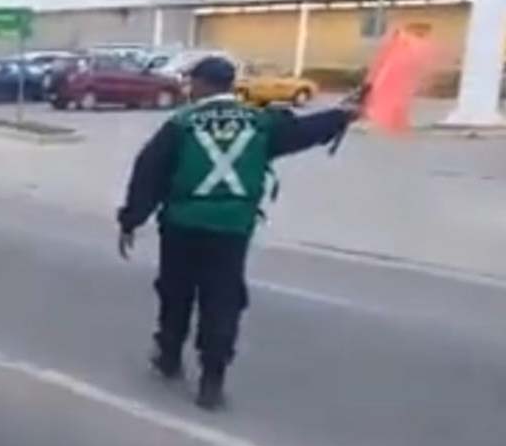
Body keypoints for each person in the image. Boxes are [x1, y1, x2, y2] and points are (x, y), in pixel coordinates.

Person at [117, 57, 359, 411]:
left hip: (182, 224)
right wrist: (340, 116)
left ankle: (169, 357)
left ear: (203, 84)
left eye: (191, 82)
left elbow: (149, 171)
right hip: (232, 229)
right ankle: (212, 380)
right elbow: (302, 132)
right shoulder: (260, 123)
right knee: (222, 300)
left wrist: (131, 219)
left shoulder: (181, 124)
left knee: (176, 291)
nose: (188, 88)